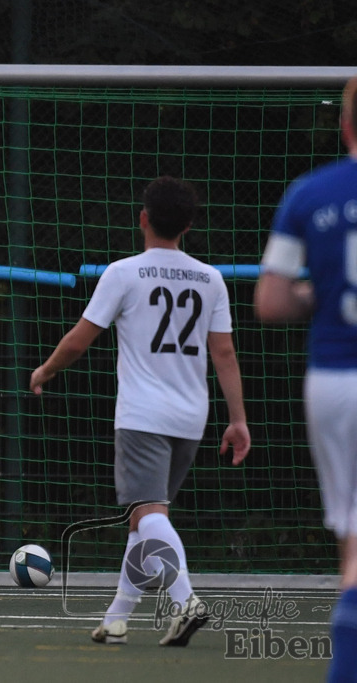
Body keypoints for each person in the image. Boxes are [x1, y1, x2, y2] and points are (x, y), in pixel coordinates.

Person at [30, 176, 251, 646]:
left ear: (143, 219)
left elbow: (79, 338)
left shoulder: (124, 272)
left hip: (142, 416)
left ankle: (187, 601)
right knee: (144, 518)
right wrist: (238, 420)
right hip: (192, 417)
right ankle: (117, 617)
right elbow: (225, 354)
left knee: (149, 515)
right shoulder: (210, 279)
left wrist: (45, 371)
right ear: (188, 225)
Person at [254, 76, 357, 682]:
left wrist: (318, 292)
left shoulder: (307, 194)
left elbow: (270, 301)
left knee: (352, 544)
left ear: (345, 126)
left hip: (334, 380)